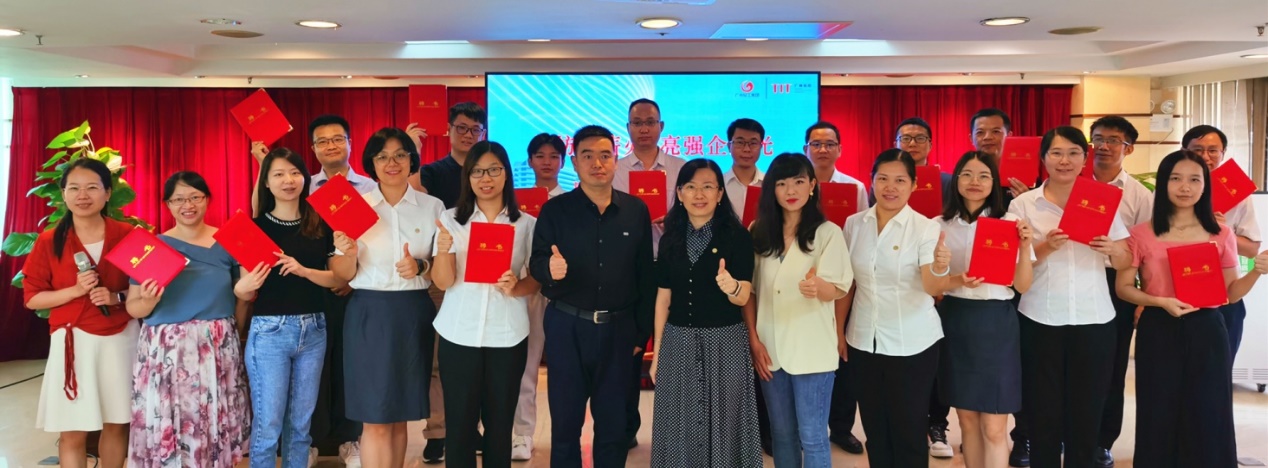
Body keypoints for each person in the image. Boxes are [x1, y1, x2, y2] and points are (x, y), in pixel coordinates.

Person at [1115, 149, 1267, 467]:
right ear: (1163, 184)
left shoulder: (1221, 234)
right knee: (1158, 407)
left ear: (1205, 186)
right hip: (1159, 327)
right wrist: (1160, 302)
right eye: (1176, 178)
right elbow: (1124, 288)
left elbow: (1231, 294)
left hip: (1207, 329)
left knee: (1209, 409)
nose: (1185, 187)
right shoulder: (1141, 234)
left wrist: (1256, 272)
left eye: (1194, 180)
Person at [529, 125, 655, 468]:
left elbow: (646, 275)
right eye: (587, 156)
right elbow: (537, 261)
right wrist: (548, 268)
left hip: (619, 330)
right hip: (567, 326)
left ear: (616, 160)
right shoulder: (555, 211)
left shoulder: (635, 210)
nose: (597, 163)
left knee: (614, 426)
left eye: (604, 155)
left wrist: (640, 334)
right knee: (565, 424)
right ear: (574, 161)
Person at [252, 114, 374, 466]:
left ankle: (347, 438)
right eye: (322, 141)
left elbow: (347, 255)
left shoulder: (367, 189)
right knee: (279, 410)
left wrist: (343, 275)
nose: (288, 180)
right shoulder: (303, 199)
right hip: (284, 315)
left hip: (346, 295)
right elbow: (261, 227)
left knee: (343, 372)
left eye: (337, 139)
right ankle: (311, 445)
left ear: (350, 142)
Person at [1006, 126, 1131, 468]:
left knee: (1087, 412)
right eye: (1057, 153)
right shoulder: (1023, 204)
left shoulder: (1103, 200)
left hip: (1095, 319)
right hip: (1040, 319)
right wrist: (1046, 246)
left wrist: (1112, 250)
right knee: (1042, 411)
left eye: (1074, 153)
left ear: (1084, 158)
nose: (1065, 160)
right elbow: (1011, 266)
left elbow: (1126, 260)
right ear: (1043, 158)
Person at [330, 127, 444, 468]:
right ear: (372, 163)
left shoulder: (432, 206)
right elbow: (342, 273)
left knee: (399, 415)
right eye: (382, 156)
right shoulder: (355, 206)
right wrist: (349, 252)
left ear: (412, 160)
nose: (391, 163)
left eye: (400, 155)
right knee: (376, 417)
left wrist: (421, 266)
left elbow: (442, 266)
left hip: (414, 313)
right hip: (370, 313)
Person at [125, 171, 250, 467]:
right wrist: (148, 300)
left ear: (207, 199)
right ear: (168, 204)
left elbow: (242, 298)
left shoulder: (229, 242)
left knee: (213, 420)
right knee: (171, 420)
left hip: (216, 344)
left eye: (195, 197)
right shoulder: (149, 247)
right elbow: (134, 307)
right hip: (166, 349)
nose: (188, 205)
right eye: (178, 199)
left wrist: (234, 334)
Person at [235, 149, 349, 467]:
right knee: (268, 424)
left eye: (295, 172)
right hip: (269, 332)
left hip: (314, 329)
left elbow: (337, 279)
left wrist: (303, 270)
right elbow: (245, 287)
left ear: (305, 178)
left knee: (300, 426)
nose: (288, 180)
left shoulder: (321, 224)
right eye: (279, 174)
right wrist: (244, 286)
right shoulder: (254, 228)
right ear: (266, 182)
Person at [430, 141, 540, 468]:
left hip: (507, 335)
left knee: (499, 426)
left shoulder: (526, 224)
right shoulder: (450, 220)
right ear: (468, 177)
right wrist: (444, 250)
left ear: (506, 174)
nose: (485, 178)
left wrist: (516, 286)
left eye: (493, 169)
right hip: (458, 334)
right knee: (460, 427)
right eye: (477, 171)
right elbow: (443, 282)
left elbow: (535, 280)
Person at [22, 159, 139, 468]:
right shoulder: (50, 241)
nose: (82, 195)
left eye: (91, 188)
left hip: (121, 340)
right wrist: (75, 291)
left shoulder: (128, 234)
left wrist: (116, 296)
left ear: (108, 193)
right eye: (73, 188)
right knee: (72, 430)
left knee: (117, 422)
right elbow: (32, 298)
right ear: (63, 194)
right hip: (72, 341)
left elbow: (149, 287)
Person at [649, 158, 762, 467]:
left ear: (720, 194)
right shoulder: (671, 237)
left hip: (725, 342)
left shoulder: (737, 236)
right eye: (691, 187)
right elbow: (663, 298)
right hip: (678, 341)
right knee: (679, 418)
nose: (699, 194)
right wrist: (658, 353)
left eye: (708, 187)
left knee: (725, 418)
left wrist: (732, 286)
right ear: (679, 193)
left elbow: (745, 295)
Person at [843, 149, 951, 468]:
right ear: (872, 181)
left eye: (900, 180)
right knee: (875, 429)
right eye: (883, 179)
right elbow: (849, 284)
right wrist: (838, 332)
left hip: (912, 343)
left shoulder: (925, 228)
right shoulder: (854, 224)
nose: (890, 187)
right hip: (863, 340)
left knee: (908, 429)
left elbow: (932, 287)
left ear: (914, 185)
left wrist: (941, 267)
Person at [746, 152, 853, 468]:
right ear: (771, 188)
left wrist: (818, 287)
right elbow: (750, 292)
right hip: (770, 347)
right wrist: (753, 339)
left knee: (813, 436)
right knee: (782, 434)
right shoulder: (758, 230)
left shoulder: (828, 232)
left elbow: (839, 287)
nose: (790, 190)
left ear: (812, 185)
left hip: (812, 347)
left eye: (798, 181)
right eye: (781, 183)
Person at [935, 151, 1035, 468]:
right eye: (966, 174)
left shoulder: (1010, 224)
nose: (974, 182)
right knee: (967, 420)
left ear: (994, 182)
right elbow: (931, 285)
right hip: (955, 321)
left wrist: (1024, 248)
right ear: (956, 180)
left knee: (993, 425)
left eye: (983, 175)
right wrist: (949, 275)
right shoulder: (938, 226)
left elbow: (1022, 286)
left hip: (996, 326)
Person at [412, 101, 486, 464]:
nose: (468, 135)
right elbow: (414, 199)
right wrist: (414, 150)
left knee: (479, 357)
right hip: (441, 273)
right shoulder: (433, 171)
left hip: (483, 274)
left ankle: (472, 428)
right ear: (449, 130)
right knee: (440, 361)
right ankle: (438, 431)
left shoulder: (488, 169)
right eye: (461, 128)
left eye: (475, 129)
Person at [612, 98, 686, 449]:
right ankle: (627, 427)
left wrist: (675, 220)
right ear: (628, 127)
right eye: (637, 122)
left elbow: (698, 213)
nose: (644, 128)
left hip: (674, 265)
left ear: (661, 126)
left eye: (650, 122)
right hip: (630, 269)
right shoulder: (614, 169)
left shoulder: (681, 168)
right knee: (631, 347)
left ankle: (679, 428)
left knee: (677, 346)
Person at [887, 117, 955, 459]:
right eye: (906, 138)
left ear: (930, 144)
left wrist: (940, 272)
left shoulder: (948, 181)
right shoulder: (885, 183)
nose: (912, 143)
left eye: (919, 138)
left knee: (935, 363)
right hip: (901, 284)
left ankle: (937, 424)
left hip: (940, 275)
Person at [1087, 116, 1152, 467]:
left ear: (1129, 148)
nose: (1104, 146)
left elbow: (1147, 252)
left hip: (1116, 285)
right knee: (1070, 364)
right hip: (1073, 279)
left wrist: (1143, 297)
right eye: (1098, 138)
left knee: (1112, 369)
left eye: (1113, 140)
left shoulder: (1140, 196)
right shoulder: (1070, 183)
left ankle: (1102, 441)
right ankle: (1066, 434)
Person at [969, 107, 1031, 467]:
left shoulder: (1023, 195)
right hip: (964, 306)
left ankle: (1022, 439)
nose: (988, 138)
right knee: (968, 411)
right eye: (981, 132)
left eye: (996, 131)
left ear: (1009, 135)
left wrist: (1024, 197)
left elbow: (1024, 275)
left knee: (1005, 391)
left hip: (1006, 304)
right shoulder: (953, 209)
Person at [512, 133, 569, 461]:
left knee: (566, 368)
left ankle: (567, 433)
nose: (547, 162)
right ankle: (522, 433)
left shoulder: (572, 202)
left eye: (553, 156)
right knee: (526, 365)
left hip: (564, 291)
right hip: (528, 288)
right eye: (540, 156)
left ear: (562, 162)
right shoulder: (514, 201)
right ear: (530, 161)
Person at [1184, 125, 1261, 363]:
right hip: (1178, 289)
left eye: (1213, 150)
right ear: (1184, 152)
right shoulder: (1170, 190)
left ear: (1223, 153)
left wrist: (1221, 231)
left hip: (1225, 291)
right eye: (1198, 150)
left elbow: (1252, 249)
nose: (1205, 156)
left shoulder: (1238, 195)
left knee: (1219, 368)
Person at [803, 121, 869, 212]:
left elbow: (863, 220)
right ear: (805, 150)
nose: (823, 150)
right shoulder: (796, 186)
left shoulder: (856, 187)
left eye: (830, 145)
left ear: (839, 150)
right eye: (816, 144)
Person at [723, 118, 767, 219]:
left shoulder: (770, 184)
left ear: (761, 147)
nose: (747, 149)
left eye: (753, 143)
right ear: (729, 146)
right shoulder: (718, 184)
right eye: (740, 142)